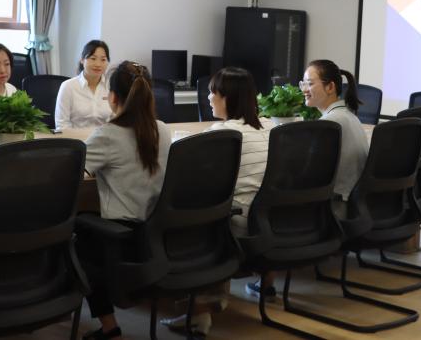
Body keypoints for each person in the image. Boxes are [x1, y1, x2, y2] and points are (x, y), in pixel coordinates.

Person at [245, 59, 368, 301]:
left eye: (310, 83)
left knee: (261, 203)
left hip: (331, 212)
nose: (304, 89)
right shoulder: (348, 117)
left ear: (330, 87)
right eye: (303, 83)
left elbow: (305, 173)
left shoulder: (330, 125)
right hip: (349, 207)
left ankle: (266, 282)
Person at [161, 66, 270, 336]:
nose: (208, 98)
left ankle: (199, 310)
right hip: (267, 221)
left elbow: (196, 182)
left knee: (190, 218)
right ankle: (209, 302)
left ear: (228, 98)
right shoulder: (269, 126)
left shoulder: (222, 134)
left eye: (213, 93)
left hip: (239, 222)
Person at [79, 61, 172, 340]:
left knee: (77, 234)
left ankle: (110, 328)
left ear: (113, 97)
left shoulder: (108, 135)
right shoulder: (162, 129)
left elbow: (71, 172)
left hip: (120, 241)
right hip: (156, 237)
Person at [54, 39, 111, 130]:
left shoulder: (111, 86)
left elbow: (116, 120)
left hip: (104, 137)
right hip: (75, 138)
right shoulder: (68, 87)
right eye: (93, 58)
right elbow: (62, 124)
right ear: (82, 60)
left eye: (103, 60)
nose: (98, 64)